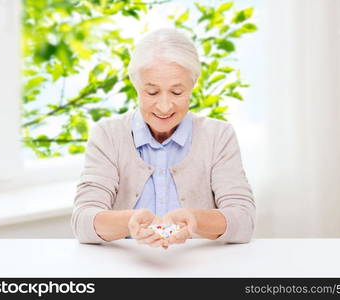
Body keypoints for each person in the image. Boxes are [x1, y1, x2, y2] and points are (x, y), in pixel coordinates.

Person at [71, 28, 256, 249]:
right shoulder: (108, 135)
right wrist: (128, 222)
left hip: (201, 267)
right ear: (136, 86)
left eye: (177, 93)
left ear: (192, 86)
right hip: (125, 268)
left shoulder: (218, 135)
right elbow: (82, 222)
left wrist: (196, 220)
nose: (165, 106)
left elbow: (244, 221)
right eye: (152, 92)